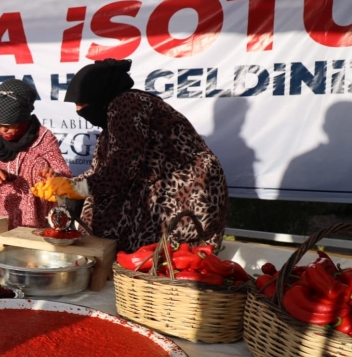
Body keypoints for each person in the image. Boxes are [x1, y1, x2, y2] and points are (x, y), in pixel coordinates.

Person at [43, 59, 228, 252]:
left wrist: (78, 187)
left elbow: (123, 166)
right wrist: (64, 185)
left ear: (101, 94)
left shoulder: (127, 104)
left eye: (82, 102)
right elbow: (103, 170)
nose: (78, 110)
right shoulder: (115, 118)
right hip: (162, 190)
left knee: (168, 261)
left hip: (187, 192)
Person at [0, 79, 71, 230]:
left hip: (31, 221)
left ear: (23, 119)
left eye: (9, 125)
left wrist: (54, 177)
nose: (3, 130)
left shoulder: (43, 138)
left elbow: (65, 174)